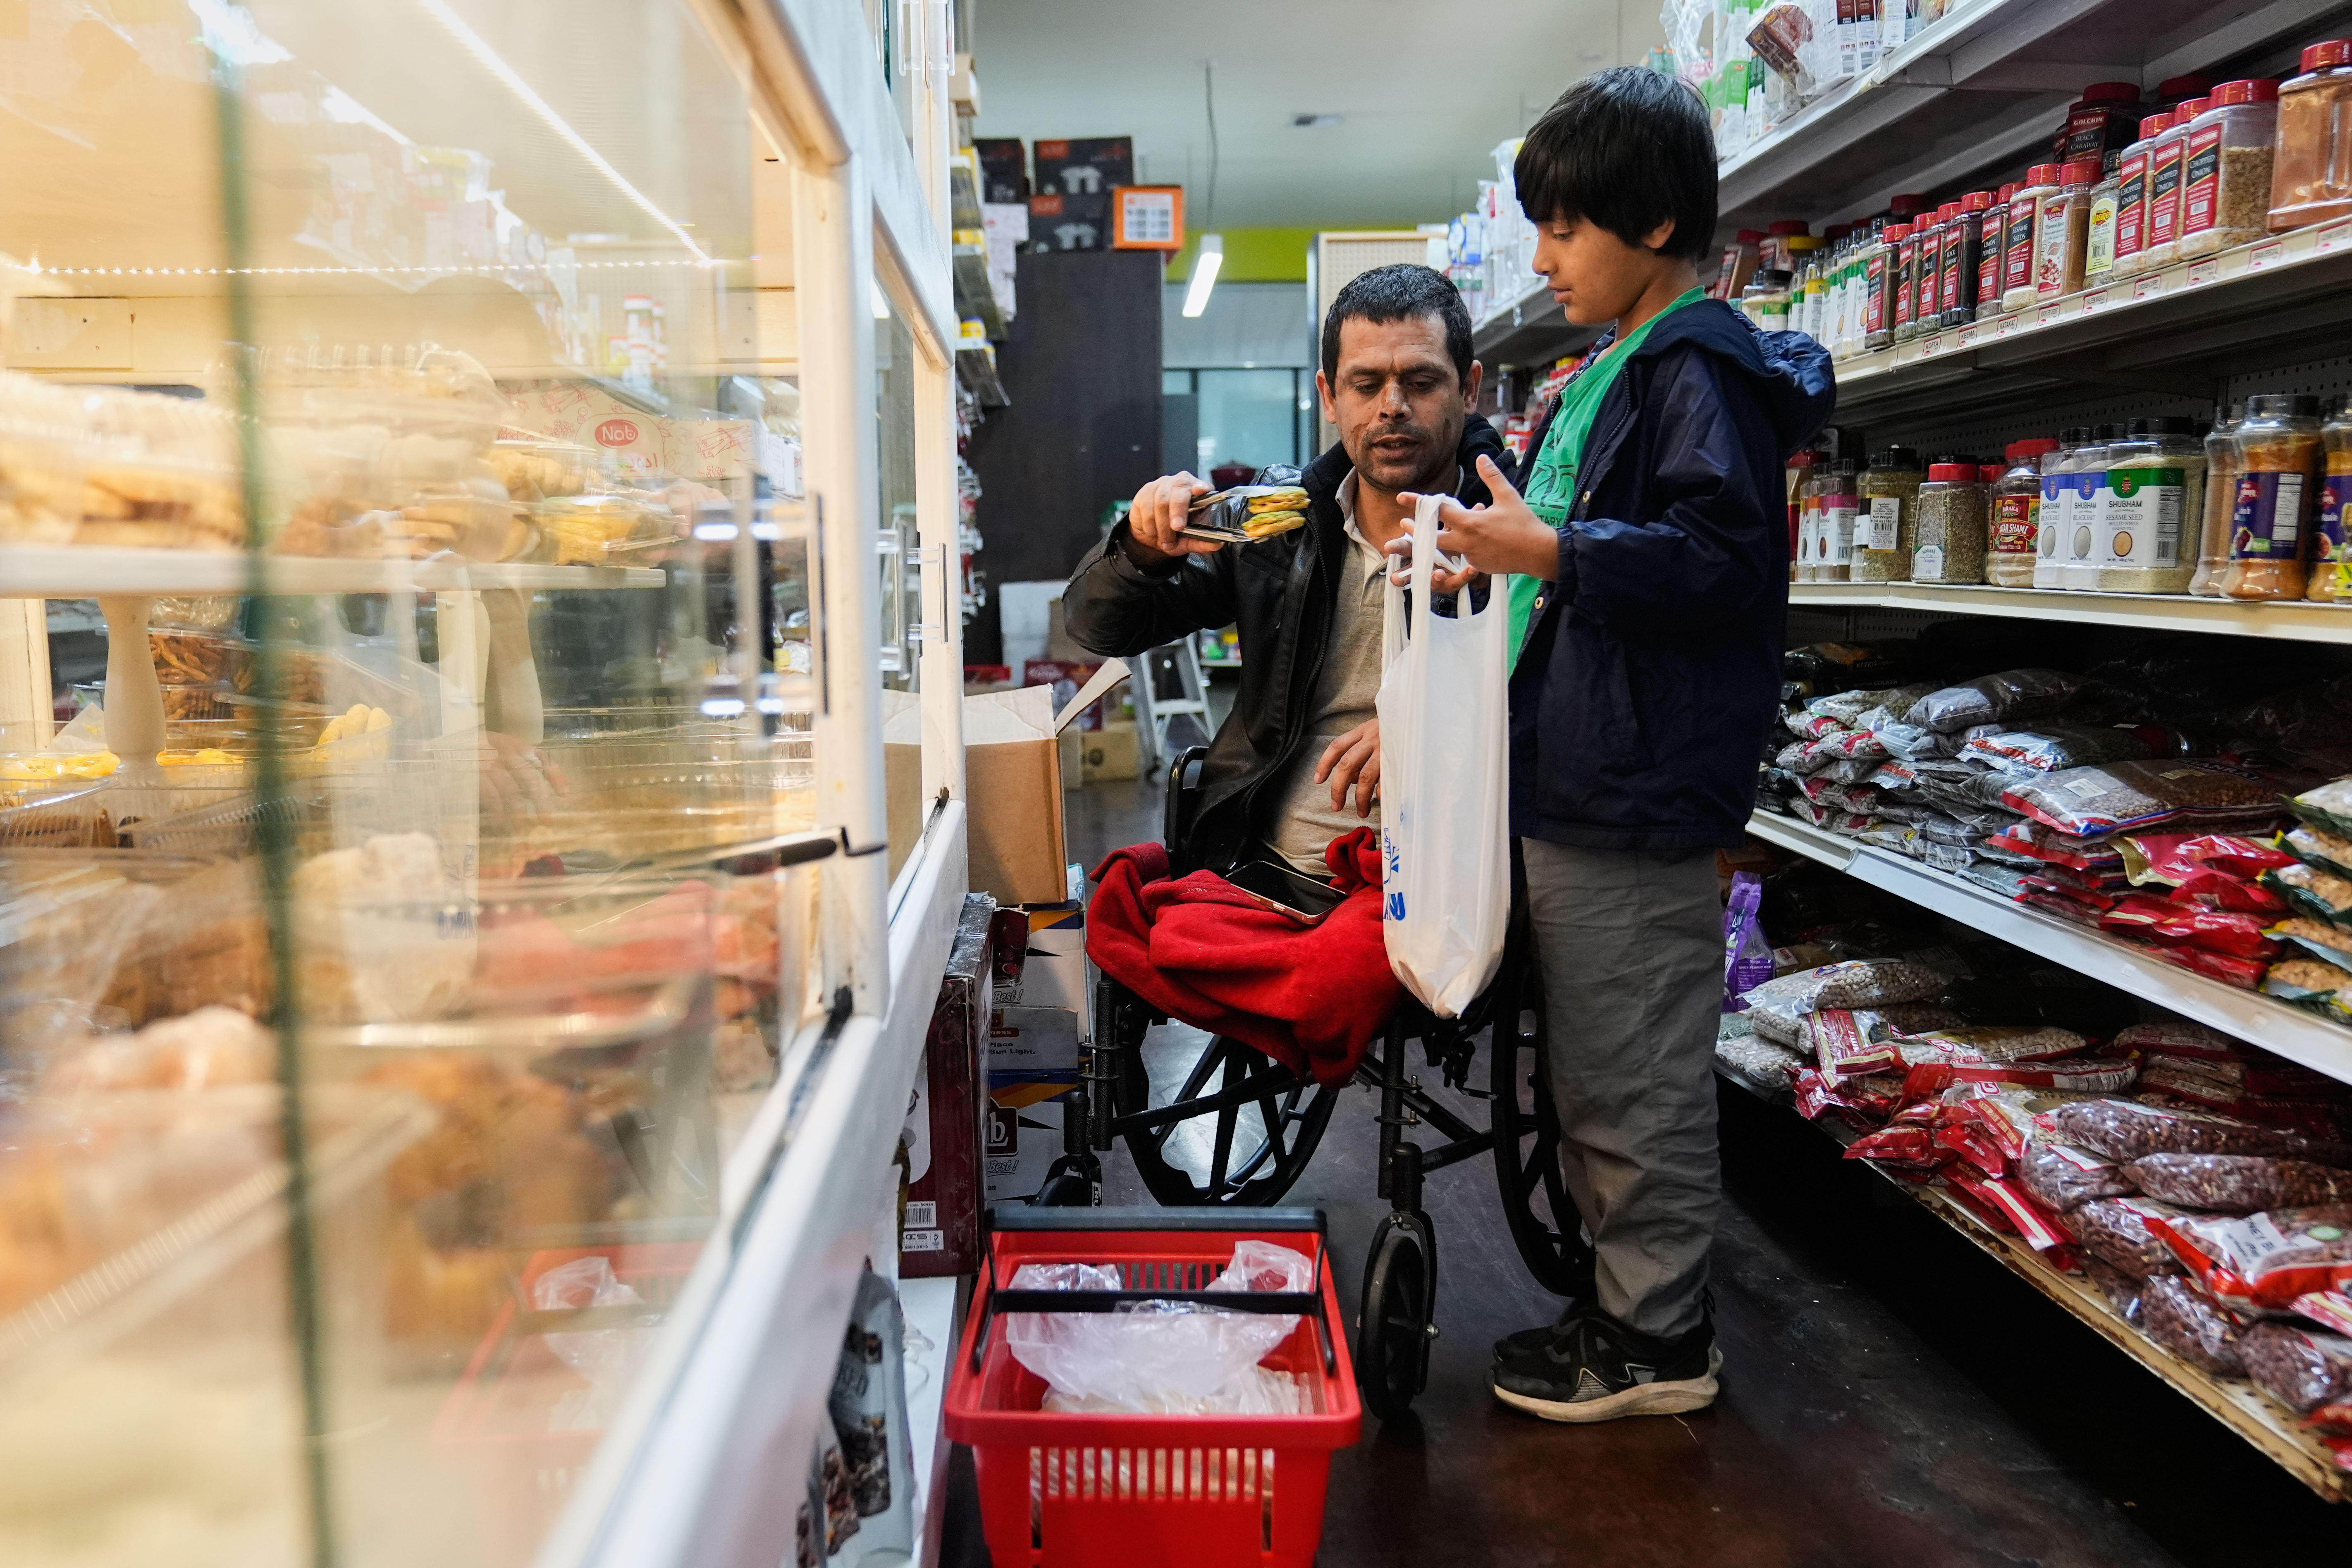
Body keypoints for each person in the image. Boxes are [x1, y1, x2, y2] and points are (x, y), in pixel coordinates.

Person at [1401, 66, 1834, 1421]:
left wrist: (1555, 546)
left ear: (1650, 222)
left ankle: (1659, 1340)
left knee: (1634, 1066)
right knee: (1594, 1060)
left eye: (1565, 227)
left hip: (1639, 790)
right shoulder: (1625, 368)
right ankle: (1622, 1307)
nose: (1543, 257)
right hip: (1587, 776)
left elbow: (1720, 559)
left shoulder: (1697, 360)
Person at [1061, 263, 1514, 877]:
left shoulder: (1514, 540)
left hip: (1452, 889)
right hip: (1268, 871)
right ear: (1329, 396)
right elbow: (1101, 628)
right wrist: (1141, 547)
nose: (1392, 407)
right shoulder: (1279, 529)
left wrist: (1427, 717)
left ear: (1468, 388)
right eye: (1365, 383)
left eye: (1420, 381)